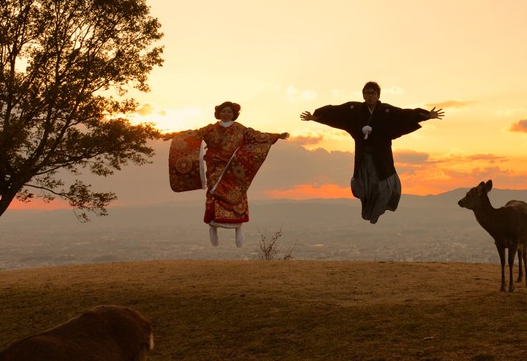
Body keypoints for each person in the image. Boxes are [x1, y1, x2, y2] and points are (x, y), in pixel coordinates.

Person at [300, 81, 443, 224]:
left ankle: (378, 210)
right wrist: (316, 116)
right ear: (363, 95)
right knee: (363, 186)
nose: (370, 96)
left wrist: (426, 115)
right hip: (364, 155)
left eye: (373, 93)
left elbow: (404, 114)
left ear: (378, 95)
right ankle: (369, 209)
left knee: (384, 186)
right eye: (367, 93)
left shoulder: (387, 111)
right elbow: (337, 112)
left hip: (382, 154)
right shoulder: (354, 109)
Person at [169, 101, 288, 247]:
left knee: (237, 194)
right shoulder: (210, 129)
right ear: (219, 113)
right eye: (223, 111)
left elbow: (257, 135)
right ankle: (213, 227)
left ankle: (238, 229)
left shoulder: (241, 129)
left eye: (229, 112)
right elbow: (193, 134)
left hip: (233, 166)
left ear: (234, 114)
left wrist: (277, 136)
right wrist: (173, 135)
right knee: (213, 193)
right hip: (214, 166)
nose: (226, 114)